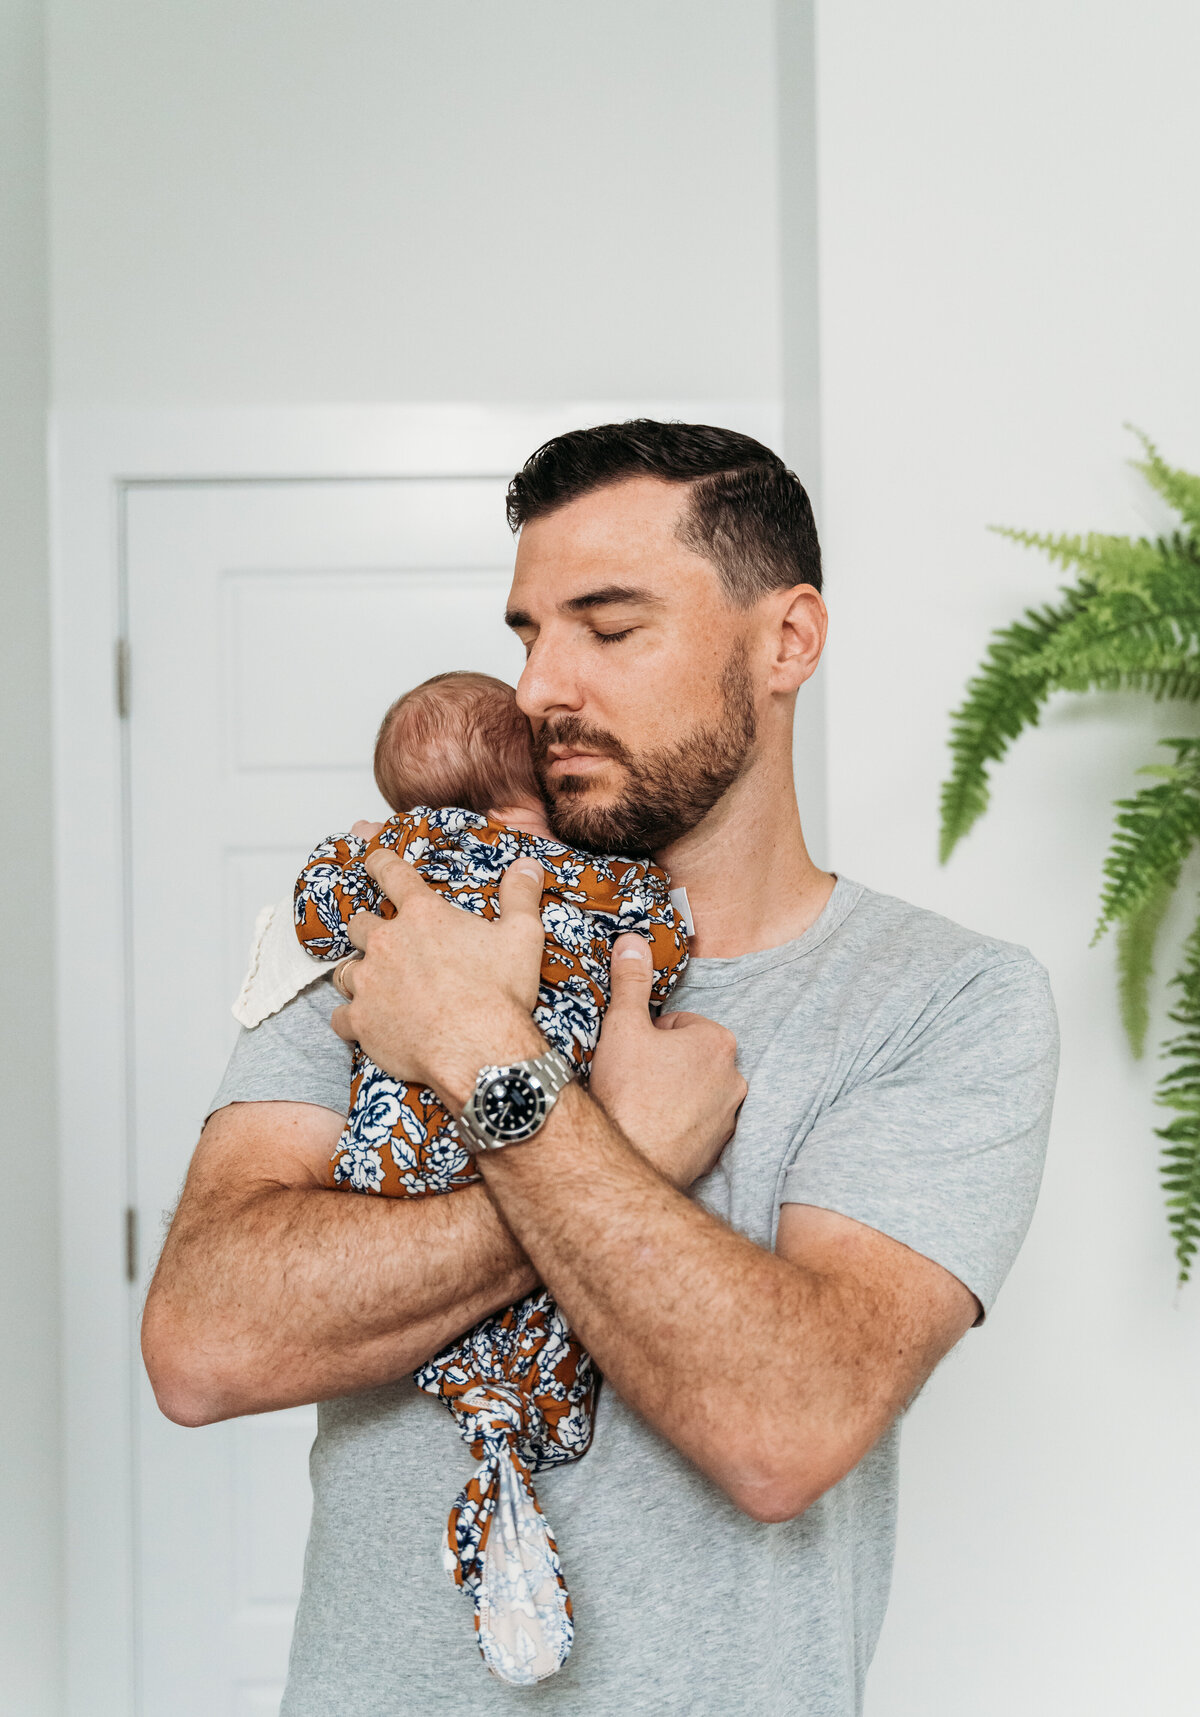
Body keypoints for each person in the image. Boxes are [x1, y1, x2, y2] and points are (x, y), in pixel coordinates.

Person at [141, 420, 1059, 1717]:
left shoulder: (944, 1000)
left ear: (787, 639)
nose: (539, 689)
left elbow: (784, 1427)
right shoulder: (396, 919)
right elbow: (205, 1342)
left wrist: (480, 1055)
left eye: (609, 628)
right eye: (526, 631)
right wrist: (617, 1146)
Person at [292, 668, 688, 1685]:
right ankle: (514, 1456)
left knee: (408, 1230)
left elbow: (310, 911)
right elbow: (664, 930)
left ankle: (488, 1443)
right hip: (549, 1128)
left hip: (393, 1162)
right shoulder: (587, 880)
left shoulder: (378, 878)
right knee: (553, 1325)